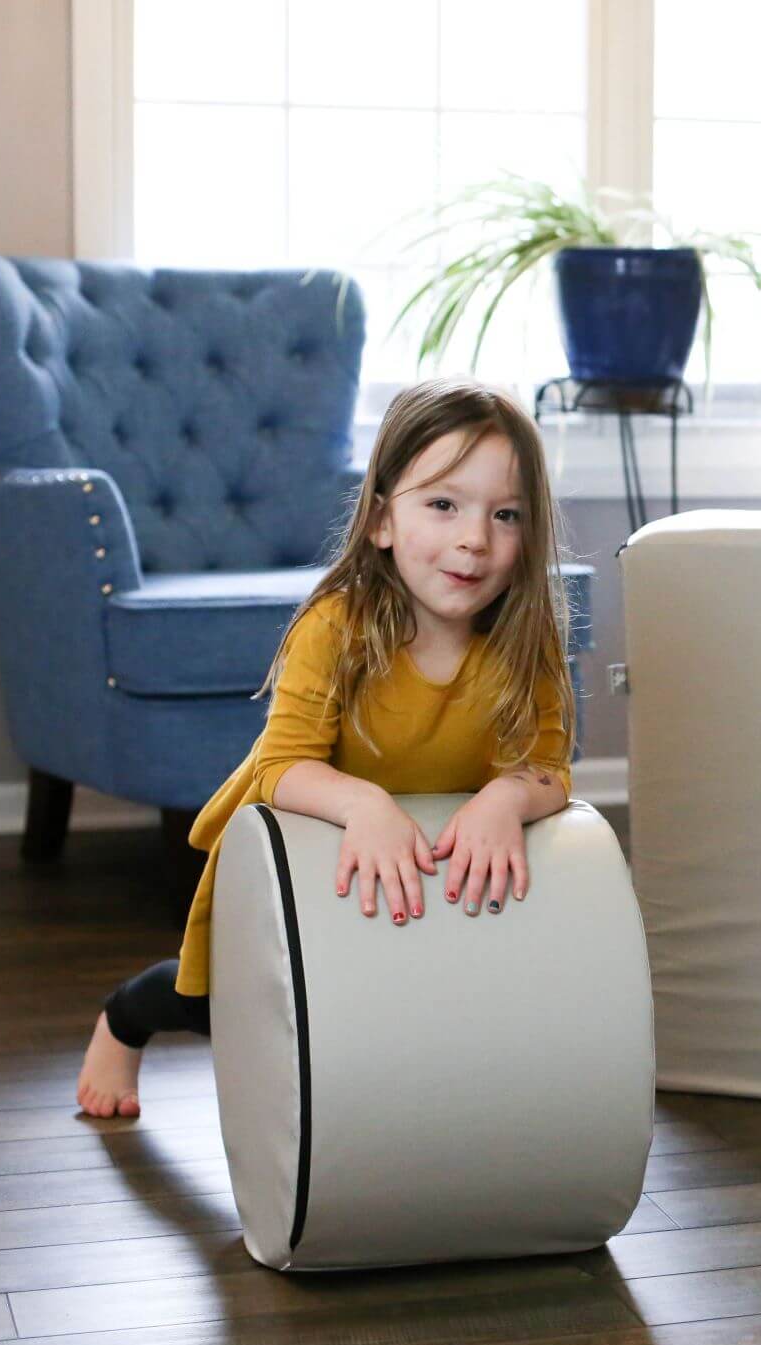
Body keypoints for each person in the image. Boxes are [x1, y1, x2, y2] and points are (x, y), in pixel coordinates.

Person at [77, 377, 576, 1117]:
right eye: (443, 505)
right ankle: (123, 1018)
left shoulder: (525, 643)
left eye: (506, 515)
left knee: (387, 1010)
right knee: (223, 1002)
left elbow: (550, 766)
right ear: (380, 520)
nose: (475, 538)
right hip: (315, 851)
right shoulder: (337, 627)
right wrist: (364, 803)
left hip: (425, 868)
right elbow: (282, 764)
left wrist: (508, 795)